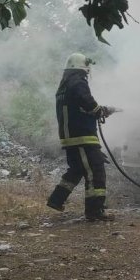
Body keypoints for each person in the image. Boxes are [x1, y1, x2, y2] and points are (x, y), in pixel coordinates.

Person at [46, 53, 117, 221]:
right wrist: (101, 110)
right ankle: (94, 211)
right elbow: (87, 102)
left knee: (77, 169)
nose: (87, 73)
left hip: (71, 138)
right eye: (86, 70)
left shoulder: (64, 85)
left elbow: (77, 106)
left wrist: (101, 109)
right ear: (82, 68)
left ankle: (56, 200)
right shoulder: (78, 81)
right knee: (95, 171)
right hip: (82, 137)